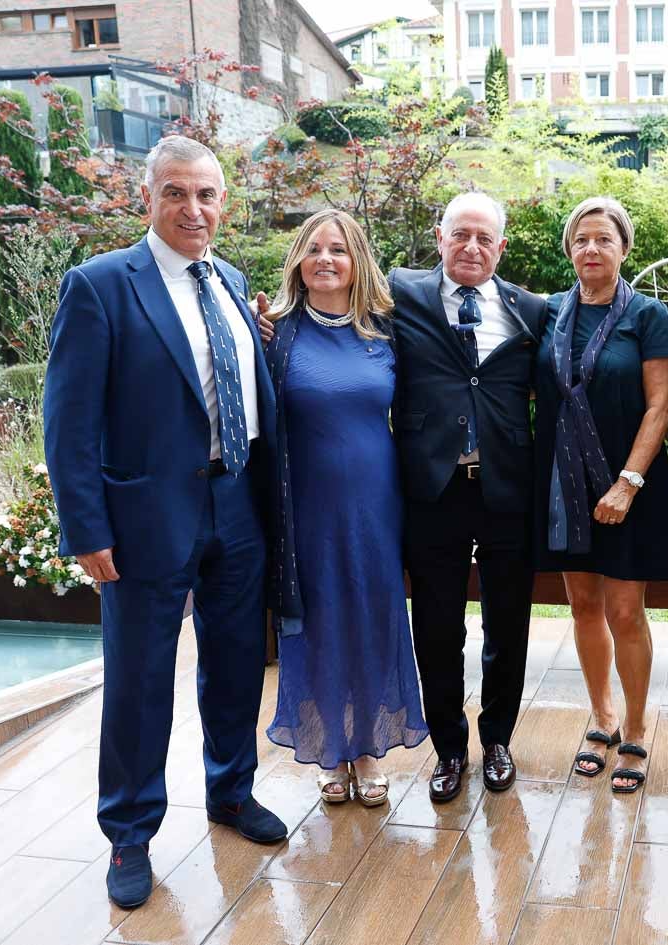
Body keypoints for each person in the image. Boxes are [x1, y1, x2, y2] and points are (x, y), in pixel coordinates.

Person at [43, 135, 286, 910]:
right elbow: (67, 420)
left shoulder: (231, 281)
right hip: (146, 518)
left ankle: (231, 791)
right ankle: (130, 831)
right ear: (146, 198)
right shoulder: (100, 285)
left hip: (237, 501)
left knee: (239, 659)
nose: (194, 209)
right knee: (142, 679)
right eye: (177, 193)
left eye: (207, 194)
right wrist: (85, 527)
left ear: (223, 202)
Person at [260, 209, 429, 806]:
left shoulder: (387, 330)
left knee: (371, 615)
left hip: (375, 502)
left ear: (357, 261)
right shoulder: (276, 332)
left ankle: (365, 749)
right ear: (298, 262)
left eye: (338, 250)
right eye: (313, 250)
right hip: (307, 505)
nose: (325, 260)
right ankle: (329, 749)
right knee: (321, 621)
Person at [389, 194, 548, 802]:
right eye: (461, 235)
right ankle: (449, 749)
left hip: (507, 488)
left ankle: (498, 739)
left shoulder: (529, 309)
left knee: (508, 622)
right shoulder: (401, 295)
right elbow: (337, 316)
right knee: (436, 626)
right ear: (440, 236)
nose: (472, 248)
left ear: (500, 247)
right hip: (434, 489)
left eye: (485, 238)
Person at [536, 197, 668, 794]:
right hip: (565, 488)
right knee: (583, 607)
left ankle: (638, 728)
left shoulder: (646, 316)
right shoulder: (547, 314)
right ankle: (601, 717)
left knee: (625, 612)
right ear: (569, 250)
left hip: (631, 488)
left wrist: (629, 482)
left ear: (624, 248)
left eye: (603, 240)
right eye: (581, 241)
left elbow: (660, 405)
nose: (591, 250)